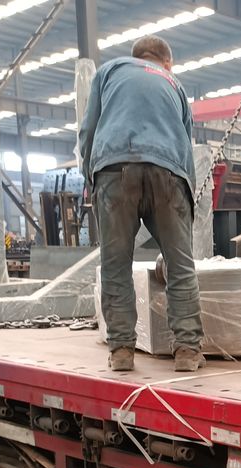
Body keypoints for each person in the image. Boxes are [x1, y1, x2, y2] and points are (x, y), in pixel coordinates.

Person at [79, 35, 204, 372]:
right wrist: (187, 200)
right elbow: (185, 144)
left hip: (114, 168)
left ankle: (121, 350)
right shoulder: (175, 84)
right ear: (167, 63)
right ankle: (187, 351)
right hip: (169, 172)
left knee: (116, 264)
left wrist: (91, 178)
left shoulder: (109, 71)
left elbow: (89, 130)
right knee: (180, 265)